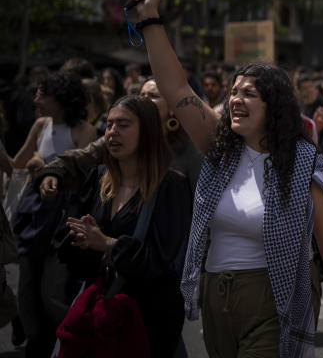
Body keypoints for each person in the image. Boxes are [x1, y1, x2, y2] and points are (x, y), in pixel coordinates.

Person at [131, 0, 323, 358]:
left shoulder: (304, 166)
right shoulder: (219, 151)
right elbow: (176, 89)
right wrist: (150, 18)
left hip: (274, 297)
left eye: (248, 94)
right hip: (217, 296)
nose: (235, 100)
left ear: (275, 107)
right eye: (233, 92)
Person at [58, 94, 192, 357]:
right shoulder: (97, 179)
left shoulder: (170, 187)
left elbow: (161, 261)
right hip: (103, 310)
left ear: (148, 131)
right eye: (109, 124)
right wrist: (80, 238)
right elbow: (72, 256)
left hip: (148, 319)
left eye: (123, 125)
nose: (112, 132)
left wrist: (107, 243)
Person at [12, 72, 95, 358]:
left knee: (52, 289)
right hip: (34, 214)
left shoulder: (83, 131)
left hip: (63, 217)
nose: (36, 99)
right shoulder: (40, 125)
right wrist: (34, 163)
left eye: (42, 94)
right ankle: (36, 340)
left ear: (60, 99)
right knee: (26, 287)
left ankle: (69, 342)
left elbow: (84, 174)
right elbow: (17, 162)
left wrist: (45, 166)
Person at [37, 78, 205, 196]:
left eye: (153, 96)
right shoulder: (120, 138)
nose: (143, 101)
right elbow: (82, 157)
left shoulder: (189, 150)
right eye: (141, 95)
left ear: (172, 109)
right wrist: (53, 171)